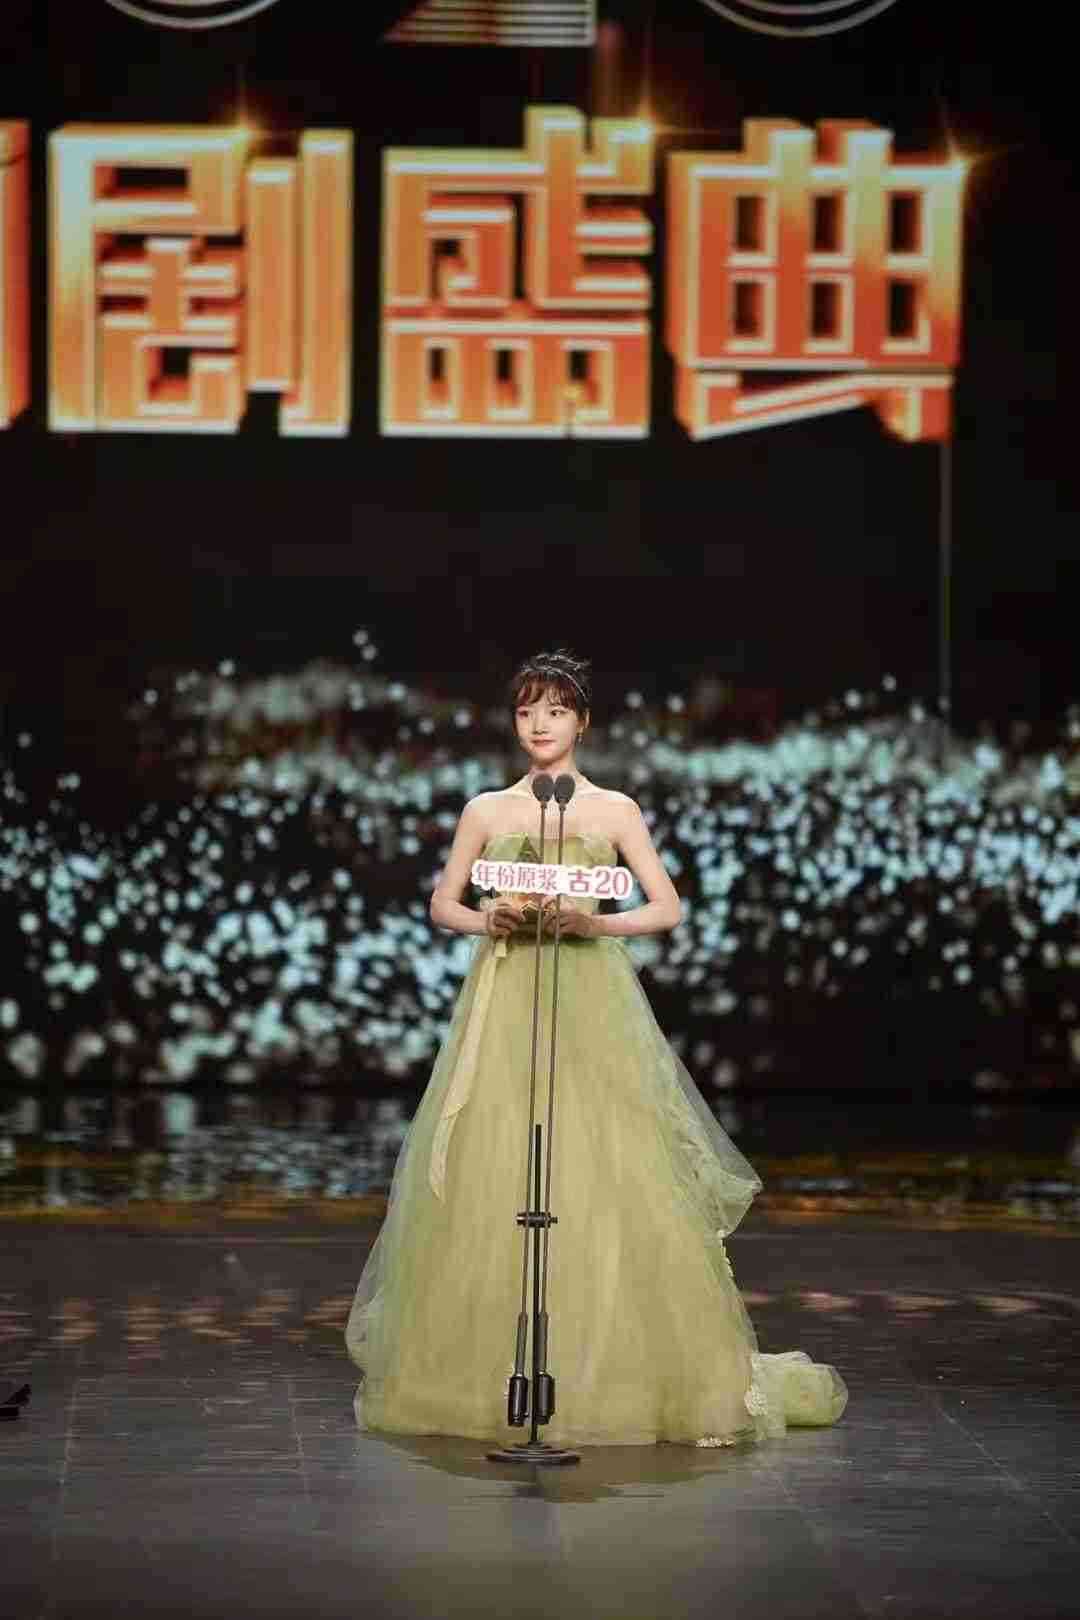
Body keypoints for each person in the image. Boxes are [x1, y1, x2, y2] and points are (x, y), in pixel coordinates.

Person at [345, 649, 847, 1447]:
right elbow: (443, 902)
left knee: (603, 1161)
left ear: (582, 721)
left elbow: (666, 907)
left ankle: (618, 1372)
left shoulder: (614, 811)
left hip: (590, 998)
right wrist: (486, 917)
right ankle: (480, 1377)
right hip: (507, 996)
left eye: (554, 710)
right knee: (496, 1161)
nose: (538, 725)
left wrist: (595, 922)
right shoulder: (488, 810)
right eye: (526, 711)